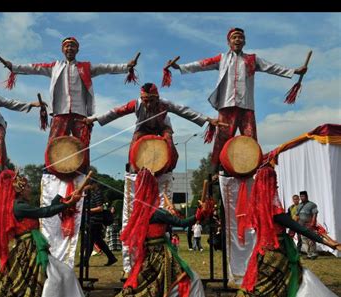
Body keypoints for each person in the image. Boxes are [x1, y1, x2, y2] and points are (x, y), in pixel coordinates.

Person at [166, 27, 308, 171]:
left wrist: (294, 71)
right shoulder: (222, 58)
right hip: (227, 105)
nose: (237, 40)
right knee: (221, 140)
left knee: (250, 140)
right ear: (229, 42)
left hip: (247, 106)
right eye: (234, 37)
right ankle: (214, 172)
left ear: (244, 41)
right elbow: (202, 64)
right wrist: (180, 67)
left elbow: (271, 67)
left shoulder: (252, 59)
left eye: (240, 37)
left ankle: (253, 170)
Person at [1, 37, 137, 172]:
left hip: (80, 113)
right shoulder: (55, 67)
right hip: (60, 111)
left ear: (77, 49)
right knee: (54, 142)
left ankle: (83, 172)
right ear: (62, 49)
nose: (69, 48)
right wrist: (13, 66)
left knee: (82, 144)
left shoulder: (85, 67)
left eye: (72, 46)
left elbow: (106, 68)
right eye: (67, 46)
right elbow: (34, 68)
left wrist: (126, 67)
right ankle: (51, 171)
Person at [0, 170, 90, 297]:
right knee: (61, 273)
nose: (30, 189)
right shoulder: (19, 206)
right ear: (20, 189)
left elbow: (45, 210)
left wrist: (64, 200)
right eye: (28, 186)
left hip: (30, 246)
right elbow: (44, 212)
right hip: (28, 248)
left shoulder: (19, 204)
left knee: (56, 274)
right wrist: (68, 203)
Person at [228, 165, 341, 297]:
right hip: (277, 251)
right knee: (283, 279)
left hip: (262, 249)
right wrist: (327, 242)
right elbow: (300, 228)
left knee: (260, 280)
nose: (277, 185)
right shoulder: (275, 211)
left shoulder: (259, 207)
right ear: (270, 184)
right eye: (274, 182)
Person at [106, 169, 211, 297]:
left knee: (149, 283)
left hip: (149, 254)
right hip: (162, 254)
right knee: (192, 278)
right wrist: (199, 214)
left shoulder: (142, 212)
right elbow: (182, 223)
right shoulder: (158, 212)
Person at [87, 83, 220, 173]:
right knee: (135, 141)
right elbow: (116, 111)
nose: (148, 104)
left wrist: (207, 119)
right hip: (143, 127)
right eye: (145, 100)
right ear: (141, 98)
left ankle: (168, 168)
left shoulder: (165, 104)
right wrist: (96, 118)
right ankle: (133, 169)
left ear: (157, 98)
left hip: (162, 127)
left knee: (168, 140)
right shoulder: (135, 104)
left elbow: (184, 110)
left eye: (151, 100)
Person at [81, 181, 117, 267]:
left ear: (94, 184)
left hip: (95, 221)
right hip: (93, 220)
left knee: (90, 241)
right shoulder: (93, 193)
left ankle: (85, 261)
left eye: (89, 184)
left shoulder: (98, 194)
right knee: (99, 241)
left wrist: (87, 211)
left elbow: (100, 208)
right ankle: (111, 257)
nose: (88, 186)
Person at [296, 191, 319, 259]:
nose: (301, 198)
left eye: (303, 196)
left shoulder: (312, 204)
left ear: (306, 196)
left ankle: (314, 253)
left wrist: (313, 222)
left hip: (309, 225)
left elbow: (315, 214)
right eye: (301, 196)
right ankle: (309, 254)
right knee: (304, 240)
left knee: (311, 239)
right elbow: (297, 215)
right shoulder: (299, 205)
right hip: (301, 225)